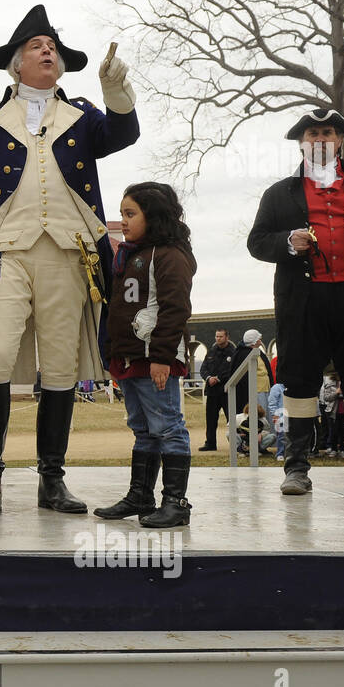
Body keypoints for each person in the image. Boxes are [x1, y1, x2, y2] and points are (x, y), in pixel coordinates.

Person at [0, 4, 140, 516]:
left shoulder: (80, 115)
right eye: (36, 45)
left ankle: (51, 480)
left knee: (60, 367)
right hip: (6, 254)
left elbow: (122, 136)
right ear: (16, 63)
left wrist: (116, 92)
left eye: (52, 45)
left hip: (69, 253)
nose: (47, 50)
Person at [247, 108, 344, 497]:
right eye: (313, 133)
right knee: (300, 383)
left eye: (328, 133)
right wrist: (288, 242)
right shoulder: (279, 193)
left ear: (339, 141)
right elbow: (257, 242)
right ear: (302, 143)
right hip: (304, 301)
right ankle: (297, 468)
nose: (320, 139)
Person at [93, 183, 196, 527]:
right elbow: (119, 310)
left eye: (130, 213)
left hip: (156, 359)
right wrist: (113, 355)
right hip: (131, 358)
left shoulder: (169, 255)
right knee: (143, 429)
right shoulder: (130, 255)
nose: (123, 221)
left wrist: (163, 356)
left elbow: (175, 308)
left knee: (167, 427)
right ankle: (141, 495)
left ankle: (176, 502)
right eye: (122, 213)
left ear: (154, 215)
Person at [198, 328, 236, 451]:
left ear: (227, 337)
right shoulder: (211, 351)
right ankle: (210, 443)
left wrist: (218, 378)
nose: (218, 338)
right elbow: (203, 368)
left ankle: (236, 444)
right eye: (216, 336)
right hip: (212, 391)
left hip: (226, 391)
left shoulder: (233, 352)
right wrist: (209, 378)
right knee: (211, 419)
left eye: (220, 336)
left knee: (232, 419)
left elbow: (232, 370)